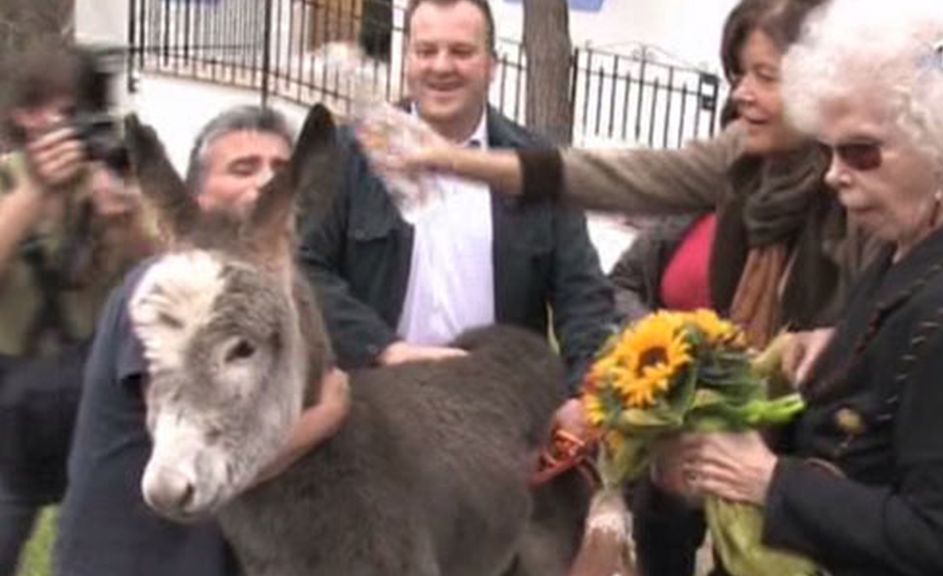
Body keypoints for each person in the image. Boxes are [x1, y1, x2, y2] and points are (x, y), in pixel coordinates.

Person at [373, 1, 872, 573]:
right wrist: (460, 163)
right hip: (716, 453)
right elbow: (620, 177)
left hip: (819, 467)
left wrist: (841, 335)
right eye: (738, 74)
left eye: (764, 76)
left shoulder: (864, 187)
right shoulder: (743, 159)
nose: (741, 94)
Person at [652, 0, 943, 574]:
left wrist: (769, 480)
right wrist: (841, 347)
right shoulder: (919, 249)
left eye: (861, 152)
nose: (833, 175)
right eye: (829, 150)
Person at [299, 0, 616, 438]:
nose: (441, 67)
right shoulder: (347, 155)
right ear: (407, 59)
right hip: (372, 417)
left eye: (461, 52)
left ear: (492, 65)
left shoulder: (536, 167)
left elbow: (583, 296)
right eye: (425, 51)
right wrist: (387, 349)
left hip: (497, 424)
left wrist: (585, 396)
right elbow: (303, 269)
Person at [56, 105, 349, 576]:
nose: (265, 184)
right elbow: (196, 464)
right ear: (198, 193)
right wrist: (326, 417)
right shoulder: (173, 289)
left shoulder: (269, 295)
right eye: (243, 168)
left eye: (279, 170)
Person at [0, 43, 156, 576]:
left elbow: (165, 270)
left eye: (86, 112)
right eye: (64, 114)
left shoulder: (113, 179)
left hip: (92, 394)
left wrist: (128, 220)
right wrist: (35, 195)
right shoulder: (6, 178)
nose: (76, 129)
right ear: (26, 114)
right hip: (11, 402)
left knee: (93, 550)